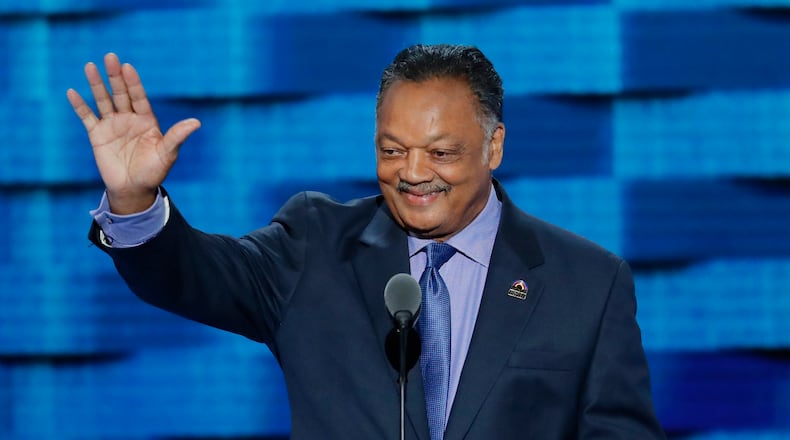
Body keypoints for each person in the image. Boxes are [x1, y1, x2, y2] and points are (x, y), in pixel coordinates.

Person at [68, 44, 666, 439]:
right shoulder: (314, 246)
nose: (412, 171)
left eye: (440, 152)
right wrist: (134, 202)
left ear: (494, 147)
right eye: (391, 149)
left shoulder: (587, 282)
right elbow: (189, 274)